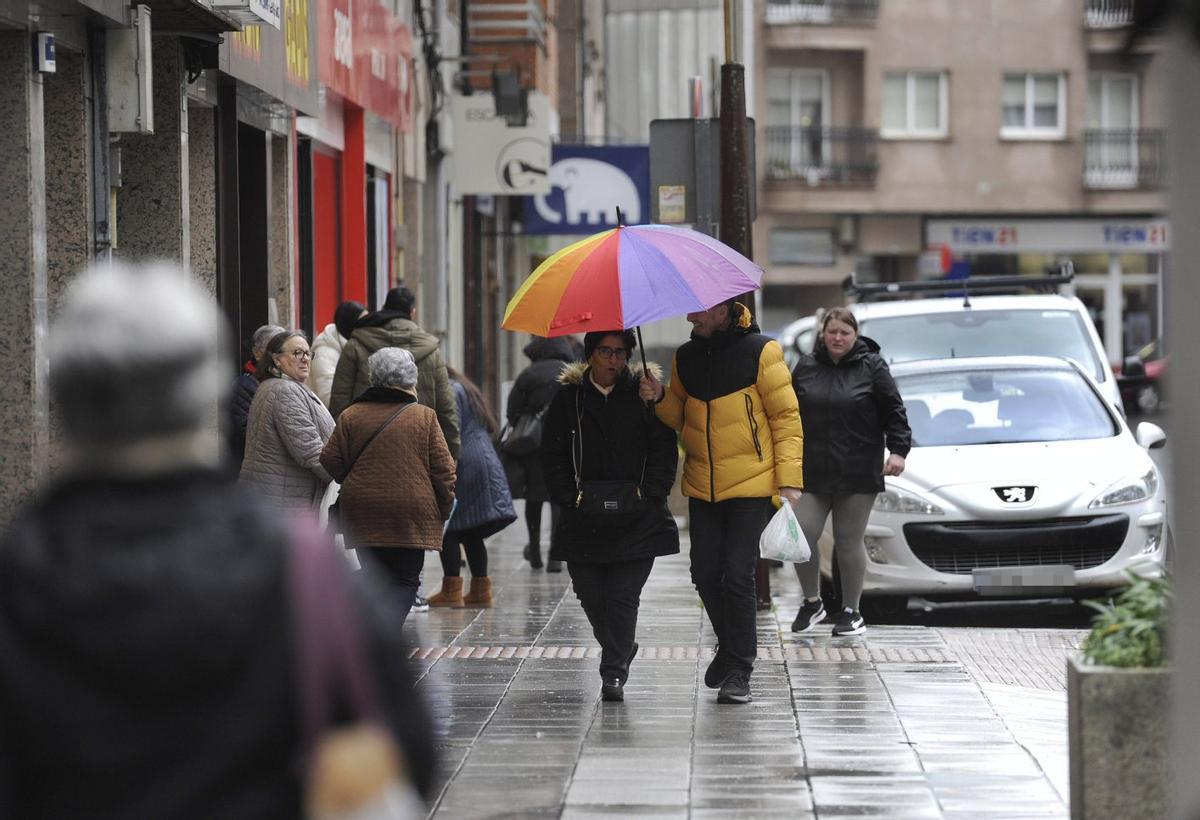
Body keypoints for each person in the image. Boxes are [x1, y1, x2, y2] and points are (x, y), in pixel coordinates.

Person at [0, 262, 436, 816]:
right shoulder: (299, 569)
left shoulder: (21, 575)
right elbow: (406, 753)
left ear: (63, 397)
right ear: (201, 390)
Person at [640, 300, 803, 705]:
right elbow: (680, 417)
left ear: (723, 310)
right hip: (703, 484)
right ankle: (730, 648)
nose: (690, 316)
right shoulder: (686, 356)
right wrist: (659, 396)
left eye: (697, 310)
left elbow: (786, 418)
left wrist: (789, 481)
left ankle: (739, 669)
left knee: (736, 572)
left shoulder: (762, 351)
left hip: (751, 484)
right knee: (704, 573)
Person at [543, 331, 680, 702]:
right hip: (582, 516)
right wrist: (567, 497)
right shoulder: (568, 399)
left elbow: (664, 448)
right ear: (590, 355)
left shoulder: (643, 394)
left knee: (623, 596)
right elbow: (551, 454)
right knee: (590, 595)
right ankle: (621, 646)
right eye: (606, 351)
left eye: (621, 353)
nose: (614, 360)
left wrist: (653, 493)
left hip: (637, 517)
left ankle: (613, 672)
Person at [789, 307, 911, 637]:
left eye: (845, 332)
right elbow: (788, 413)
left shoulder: (872, 366)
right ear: (822, 335)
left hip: (857, 470)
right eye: (832, 332)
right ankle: (812, 601)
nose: (838, 338)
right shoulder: (806, 366)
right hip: (813, 469)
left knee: (847, 539)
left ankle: (851, 611)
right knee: (801, 534)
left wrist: (898, 450)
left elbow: (894, 411)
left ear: (855, 335)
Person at [321, 348, 456, 623]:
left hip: (363, 508)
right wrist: (443, 508)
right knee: (406, 578)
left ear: (374, 377)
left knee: (374, 575)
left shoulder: (351, 414)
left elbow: (330, 459)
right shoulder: (425, 417)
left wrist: (353, 476)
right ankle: (387, 632)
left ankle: (373, 630)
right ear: (411, 379)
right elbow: (444, 471)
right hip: (411, 510)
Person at [329, 286, 460, 460]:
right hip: (418, 453)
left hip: (365, 452)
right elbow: (446, 410)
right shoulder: (431, 352)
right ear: (412, 312)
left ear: (384, 307)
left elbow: (339, 402)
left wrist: (344, 455)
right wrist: (452, 455)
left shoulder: (355, 345)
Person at [428, 367, 517, 608]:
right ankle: (480, 590)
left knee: (449, 528)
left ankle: (451, 590)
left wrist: (445, 464)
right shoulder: (466, 388)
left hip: (465, 461)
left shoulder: (450, 390)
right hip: (482, 457)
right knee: (471, 530)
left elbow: (450, 429)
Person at [240, 330, 336, 511]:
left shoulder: (280, 386)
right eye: (297, 353)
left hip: (281, 498)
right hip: (284, 504)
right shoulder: (285, 391)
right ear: (277, 359)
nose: (305, 359)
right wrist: (344, 473)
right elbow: (310, 452)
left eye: (308, 353)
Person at [505, 336, 576, 571]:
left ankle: (534, 550)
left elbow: (512, 410)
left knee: (534, 497)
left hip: (532, 446)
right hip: (562, 445)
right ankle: (556, 555)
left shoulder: (529, 374)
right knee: (558, 498)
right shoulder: (571, 373)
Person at [227, 322, 284, 467]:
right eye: (273, 350)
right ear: (257, 353)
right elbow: (245, 433)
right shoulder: (243, 386)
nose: (279, 357)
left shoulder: (287, 382)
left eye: (283, 350)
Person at [309, 300, 366, 408]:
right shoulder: (324, 352)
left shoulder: (353, 345)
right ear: (351, 324)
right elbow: (328, 399)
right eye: (363, 321)